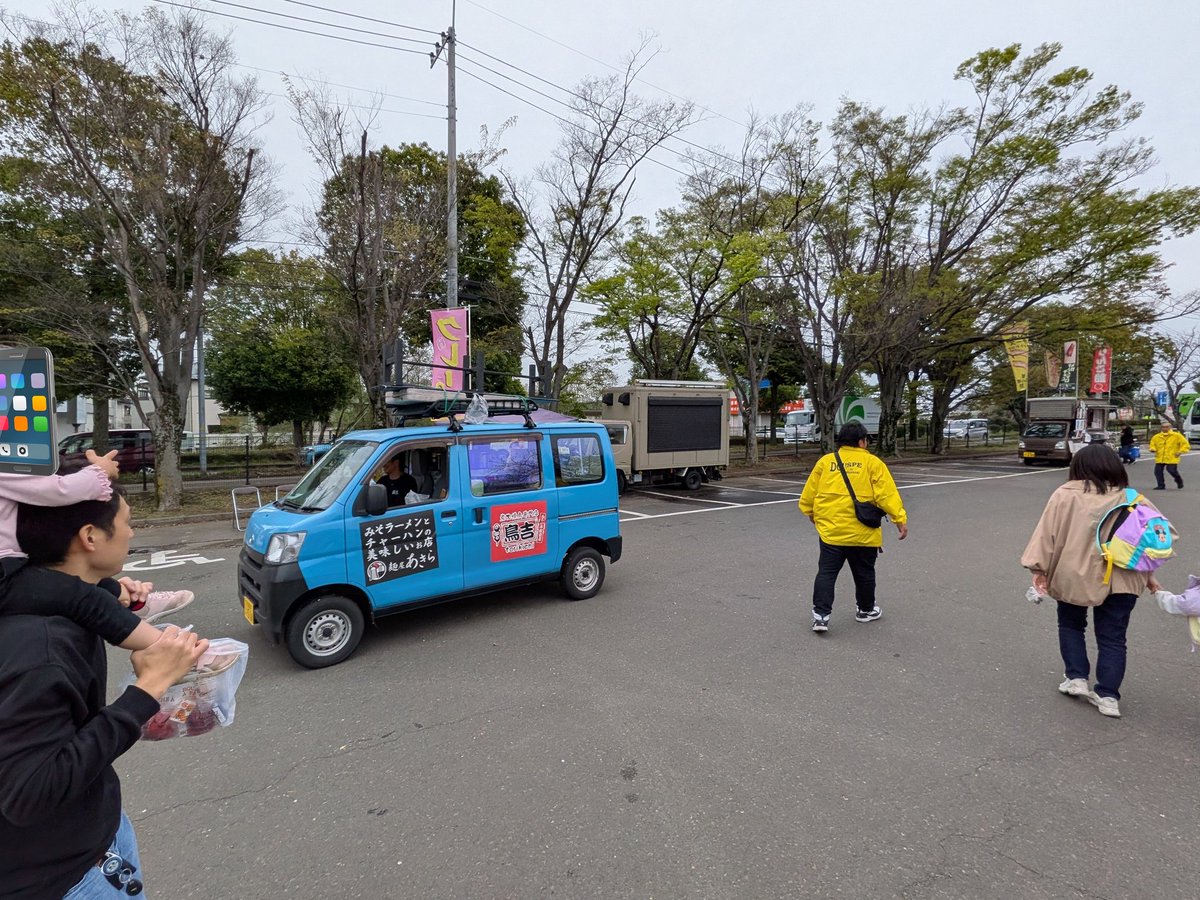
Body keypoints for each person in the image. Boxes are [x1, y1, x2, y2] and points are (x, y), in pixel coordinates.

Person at [0, 483, 208, 898]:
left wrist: (117, 595)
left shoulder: (51, 602)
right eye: (127, 522)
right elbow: (28, 793)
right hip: (68, 876)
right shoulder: (38, 650)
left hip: (89, 836)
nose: (132, 532)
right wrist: (146, 690)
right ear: (90, 537)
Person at [1021, 444, 1168, 719]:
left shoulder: (1065, 495)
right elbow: (1150, 540)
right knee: (1113, 637)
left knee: (1071, 624)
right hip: (1124, 577)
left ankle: (1076, 677)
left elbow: (1046, 536)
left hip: (1073, 574)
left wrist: (1038, 569)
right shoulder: (1133, 498)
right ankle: (1108, 696)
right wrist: (1149, 576)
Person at [0, 452, 192, 653]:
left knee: (82, 581)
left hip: (15, 561)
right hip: (5, 572)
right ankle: (175, 650)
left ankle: (134, 604)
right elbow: (57, 489)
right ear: (89, 536)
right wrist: (99, 471)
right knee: (83, 598)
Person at [798, 422, 908, 633]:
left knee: (827, 573)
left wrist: (811, 513)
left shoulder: (826, 462)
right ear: (861, 441)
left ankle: (821, 617)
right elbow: (886, 495)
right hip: (863, 533)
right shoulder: (872, 463)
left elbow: (809, 494)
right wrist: (899, 520)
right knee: (865, 572)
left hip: (831, 533)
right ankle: (865, 610)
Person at [1148, 419, 1189, 489]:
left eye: (1167, 427)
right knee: (1157, 471)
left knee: (1171, 470)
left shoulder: (1176, 436)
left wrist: (1180, 451)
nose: (1165, 428)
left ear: (1170, 427)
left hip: (1172, 456)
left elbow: (1185, 444)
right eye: (1163, 427)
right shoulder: (1157, 437)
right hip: (1160, 457)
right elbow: (1152, 444)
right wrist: (1153, 449)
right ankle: (1161, 485)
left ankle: (1178, 480)